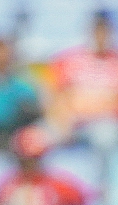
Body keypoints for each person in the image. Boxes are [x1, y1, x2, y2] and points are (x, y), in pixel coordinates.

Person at [48, 10, 118, 150]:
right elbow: (54, 95)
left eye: (104, 31)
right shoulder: (68, 59)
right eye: (97, 31)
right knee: (35, 140)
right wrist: (62, 120)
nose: (101, 36)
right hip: (70, 121)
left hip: (104, 123)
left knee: (105, 137)